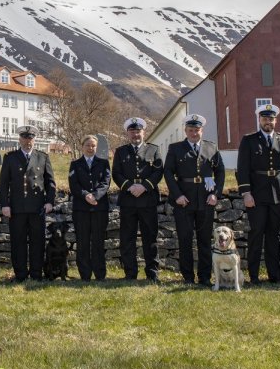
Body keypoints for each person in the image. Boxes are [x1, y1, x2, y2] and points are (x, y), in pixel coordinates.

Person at [237, 104, 280, 285]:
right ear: (259, 120)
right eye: (265, 119)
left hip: (278, 195)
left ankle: (274, 274)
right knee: (256, 234)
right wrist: (246, 193)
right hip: (256, 194)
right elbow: (242, 169)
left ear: (275, 120)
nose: (268, 122)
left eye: (271, 119)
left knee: (273, 236)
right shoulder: (249, 140)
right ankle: (254, 275)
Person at [163, 114, 225, 285]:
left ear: (201, 131)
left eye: (197, 130)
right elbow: (168, 172)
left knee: (205, 240)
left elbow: (220, 171)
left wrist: (216, 194)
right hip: (184, 199)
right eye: (190, 130)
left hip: (206, 199)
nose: (194, 133)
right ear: (186, 131)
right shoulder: (175, 148)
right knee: (185, 239)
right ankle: (188, 277)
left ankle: (204, 277)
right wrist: (177, 195)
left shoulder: (211, 147)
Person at [0, 124, 56, 282]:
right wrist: (5, 204)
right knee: (18, 242)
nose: (27, 141)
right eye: (24, 137)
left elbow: (50, 182)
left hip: (38, 207)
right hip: (17, 207)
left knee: (38, 242)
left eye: (30, 138)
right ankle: (21, 274)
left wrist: (49, 202)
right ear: (20, 139)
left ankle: (36, 274)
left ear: (34, 139)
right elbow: (3, 184)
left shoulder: (42, 157)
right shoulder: (10, 157)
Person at [111, 116, 163, 283]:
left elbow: (158, 172)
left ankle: (152, 273)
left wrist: (144, 186)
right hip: (128, 200)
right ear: (127, 133)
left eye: (138, 131)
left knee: (150, 238)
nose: (135, 135)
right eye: (132, 132)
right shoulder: (120, 151)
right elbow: (116, 173)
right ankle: (130, 273)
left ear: (144, 132)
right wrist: (129, 187)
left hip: (148, 199)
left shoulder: (153, 150)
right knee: (127, 238)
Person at [69, 135, 111, 281]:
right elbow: (74, 185)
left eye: (93, 145)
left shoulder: (104, 163)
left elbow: (106, 182)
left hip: (99, 208)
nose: (90, 148)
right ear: (82, 146)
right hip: (81, 209)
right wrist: (86, 195)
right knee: (83, 242)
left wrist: (95, 196)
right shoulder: (75, 164)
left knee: (98, 241)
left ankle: (100, 274)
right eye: (87, 145)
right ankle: (85, 274)